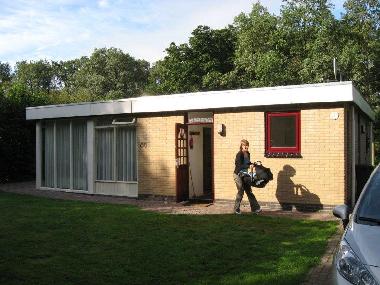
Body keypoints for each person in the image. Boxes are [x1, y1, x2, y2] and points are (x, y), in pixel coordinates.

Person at [233, 139, 261, 214]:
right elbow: (239, 166)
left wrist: (254, 164)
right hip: (238, 175)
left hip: (245, 175)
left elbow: (248, 163)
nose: (246, 147)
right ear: (241, 146)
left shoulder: (247, 153)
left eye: (247, 146)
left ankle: (255, 209)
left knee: (249, 191)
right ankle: (236, 209)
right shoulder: (239, 154)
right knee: (241, 191)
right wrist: (248, 166)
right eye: (245, 146)